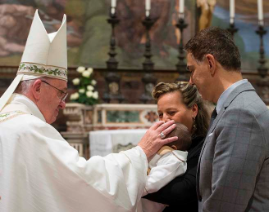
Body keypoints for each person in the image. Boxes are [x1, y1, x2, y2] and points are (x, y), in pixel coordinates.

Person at [0, 10, 178, 212]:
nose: (63, 104)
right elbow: (85, 182)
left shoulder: (7, 119)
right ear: (38, 88)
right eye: (61, 93)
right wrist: (141, 152)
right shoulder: (29, 129)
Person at [185, 27, 269, 211]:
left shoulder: (241, 114)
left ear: (210, 63)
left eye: (192, 70)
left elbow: (225, 204)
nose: (190, 81)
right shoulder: (235, 107)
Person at [143, 81, 210, 212]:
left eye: (171, 112)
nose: (164, 120)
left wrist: (134, 184)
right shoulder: (160, 143)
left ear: (194, 110)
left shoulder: (204, 144)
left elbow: (181, 192)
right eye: (160, 114)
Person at [140, 122, 192, 212]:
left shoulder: (174, 161)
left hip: (150, 202)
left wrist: (137, 189)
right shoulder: (167, 155)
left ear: (173, 148)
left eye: (161, 144)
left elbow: (154, 182)